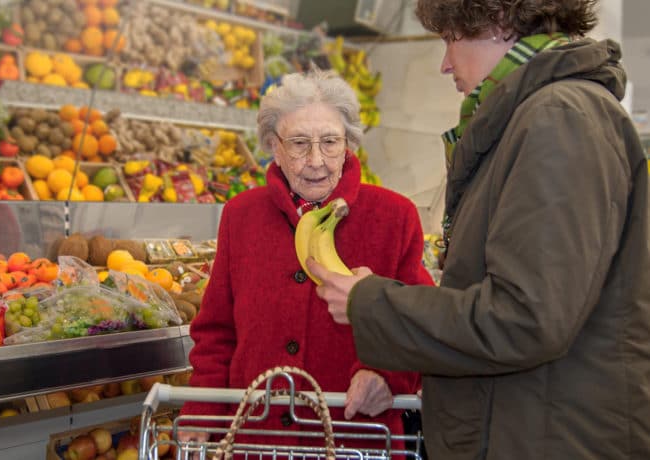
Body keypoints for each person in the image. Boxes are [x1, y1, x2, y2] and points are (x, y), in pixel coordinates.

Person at [308, 1, 650, 459]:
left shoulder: (558, 119)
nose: (445, 63)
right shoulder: (540, 116)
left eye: (451, 38)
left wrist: (372, 303)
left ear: (499, 21)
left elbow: (526, 318)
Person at [178, 69, 433, 454]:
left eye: (330, 142)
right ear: (273, 146)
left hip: (356, 438)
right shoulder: (241, 215)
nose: (316, 160)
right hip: (258, 441)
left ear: (349, 144)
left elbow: (423, 323)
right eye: (299, 143)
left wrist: (390, 377)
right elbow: (217, 331)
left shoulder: (395, 216)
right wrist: (203, 408)